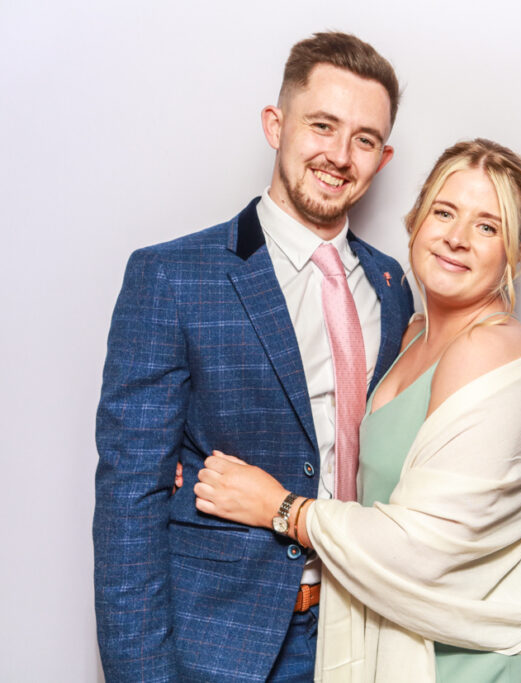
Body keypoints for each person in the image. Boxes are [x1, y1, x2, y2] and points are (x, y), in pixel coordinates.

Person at [93, 32, 414, 681]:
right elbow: (130, 506)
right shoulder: (174, 278)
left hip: (366, 634)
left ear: (383, 158)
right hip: (219, 647)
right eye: (322, 125)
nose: (339, 155)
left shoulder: (394, 287)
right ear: (276, 124)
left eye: (364, 138)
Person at [193, 139, 521, 682]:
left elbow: (422, 550)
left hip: (482, 650)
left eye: (488, 227)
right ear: (415, 220)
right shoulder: (413, 332)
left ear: (516, 254)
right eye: (444, 212)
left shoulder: (485, 347)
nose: (457, 239)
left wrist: (279, 508)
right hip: (421, 632)